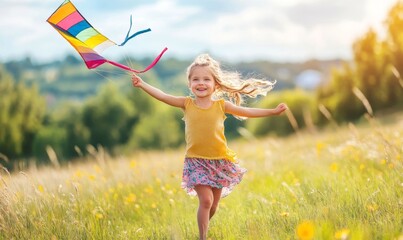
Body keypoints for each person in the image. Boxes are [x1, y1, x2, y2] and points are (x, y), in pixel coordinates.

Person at [131, 53, 287, 240]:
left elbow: (247, 111)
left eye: (206, 79)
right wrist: (142, 84)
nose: (201, 83)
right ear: (189, 84)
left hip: (220, 161)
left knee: (213, 206)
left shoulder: (222, 105)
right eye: (195, 79)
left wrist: (272, 111)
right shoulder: (186, 104)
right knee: (206, 200)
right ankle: (202, 237)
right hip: (196, 161)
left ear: (215, 84)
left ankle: (204, 227)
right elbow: (163, 96)